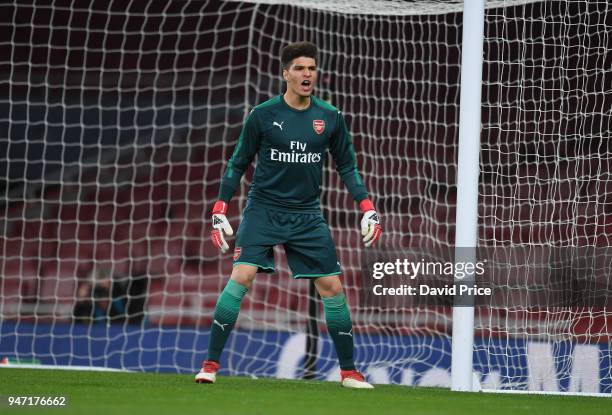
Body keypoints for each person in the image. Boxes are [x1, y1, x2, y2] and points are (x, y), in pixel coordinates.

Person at [195, 41, 382, 389]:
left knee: (332, 287)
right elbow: (237, 162)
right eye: (299, 68)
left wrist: (366, 207)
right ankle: (210, 364)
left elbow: (348, 167)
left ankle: (349, 372)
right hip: (264, 209)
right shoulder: (263, 115)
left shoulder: (330, 117)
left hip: (307, 215)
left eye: (311, 68)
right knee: (242, 276)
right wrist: (220, 207)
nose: (306, 74)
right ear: (285, 74)